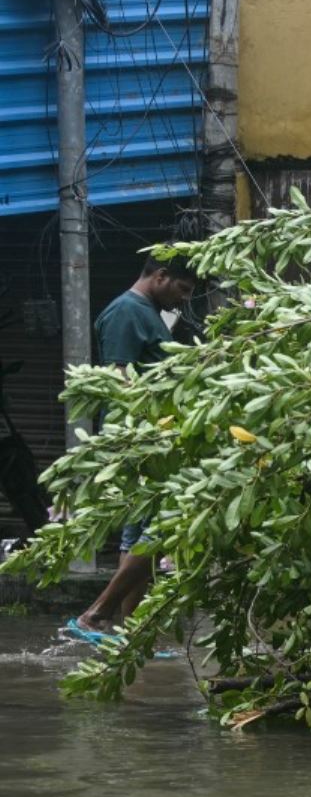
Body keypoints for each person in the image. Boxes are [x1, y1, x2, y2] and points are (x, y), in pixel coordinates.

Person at [67, 254, 197, 641]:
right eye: (183, 289)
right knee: (161, 529)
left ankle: (127, 633)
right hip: (139, 439)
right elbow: (118, 377)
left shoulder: (148, 312)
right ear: (160, 276)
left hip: (154, 437)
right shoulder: (127, 311)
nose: (185, 300)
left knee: (141, 533)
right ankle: (95, 616)